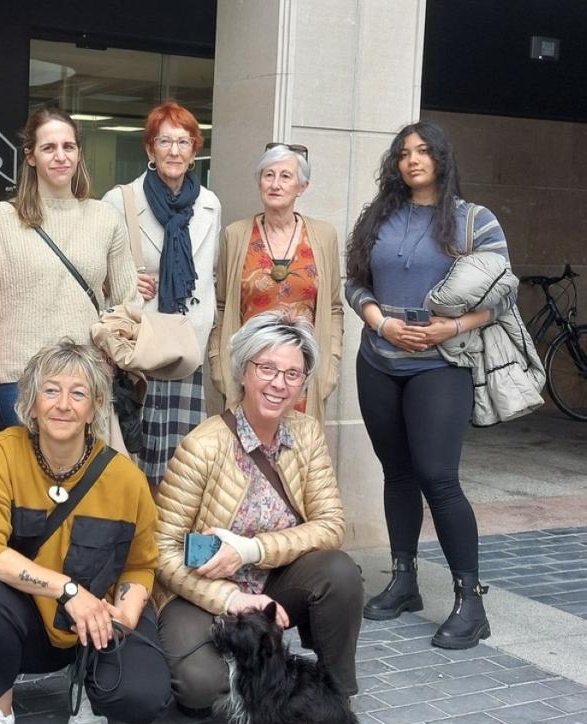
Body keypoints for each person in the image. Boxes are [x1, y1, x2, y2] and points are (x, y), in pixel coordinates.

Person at [154, 313, 372, 724]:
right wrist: (230, 597)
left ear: (304, 383)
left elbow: (331, 523)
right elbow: (163, 551)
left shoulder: (307, 433)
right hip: (204, 592)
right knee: (200, 684)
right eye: (266, 369)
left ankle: (337, 705)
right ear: (243, 372)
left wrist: (251, 550)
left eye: (292, 373)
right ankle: (238, 693)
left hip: (274, 583)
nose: (278, 384)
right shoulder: (203, 446)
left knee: (338, 571)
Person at [0, 340, 172, 724]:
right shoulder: (3, 452)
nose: (63, 405)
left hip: (96, 625)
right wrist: (68, 590)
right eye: (51, 390)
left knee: (143, 696)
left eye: (79, 394)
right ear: (31, 403)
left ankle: (89, 680)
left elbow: (141, 563)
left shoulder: (126, 478)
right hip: (32, 623)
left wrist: (121, 618)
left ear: (95, 409)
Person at [345, 121, 508, 649]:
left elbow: (501, 294)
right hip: (379, 358)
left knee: (439, 478)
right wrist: (380, 322)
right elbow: (354, 282)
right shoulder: (380, 217)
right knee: (397, 473)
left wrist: (451, 326)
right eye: (404, 153)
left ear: (441, 157)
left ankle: (470, 602)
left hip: (441, 363)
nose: (413, 160)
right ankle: (405, 580)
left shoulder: (472, 221)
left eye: (423, 151)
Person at [0, 106, 140, 427]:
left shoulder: (105, 219)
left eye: (68, 146)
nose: (60, 156)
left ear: (78, 154)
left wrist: (113, 346)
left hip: (85, 375)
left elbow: (128, 301)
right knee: (28, 476)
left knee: (80, 475)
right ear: (30, 156)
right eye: (48, 147)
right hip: (19, 375)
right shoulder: (2, 219)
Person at [102, 101, 221, 486]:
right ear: (150, 148)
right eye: (164, 141)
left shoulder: (209, 203)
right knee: (136, 452)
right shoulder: (120, 201)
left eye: (183, 141)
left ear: (194, 149)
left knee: (184, 462)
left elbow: (208, 272)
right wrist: (125, 279)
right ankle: (138, 538)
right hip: (142, 345)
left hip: (188, 342)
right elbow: (99, 268)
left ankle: (173, 537)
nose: (174, 150)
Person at [209, 143, 343, 426]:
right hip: (248, 374)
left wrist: (329, 367)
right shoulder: (236, 234)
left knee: (297, 459)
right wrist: (219, 366)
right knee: (245, 459)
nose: (275, 184)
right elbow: (220, 305)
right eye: (268, 175)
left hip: (301, 375)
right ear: (259, 182)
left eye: (285, 176)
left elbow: (333, 308)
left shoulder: (323, 235)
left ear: (302, 186)